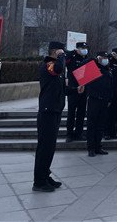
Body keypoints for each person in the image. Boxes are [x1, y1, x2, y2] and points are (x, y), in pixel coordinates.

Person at [33, 41, 84, 192]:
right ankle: (39, 181)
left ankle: (45, 175)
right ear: (56, 52)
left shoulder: (56, 68)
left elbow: (63, 89)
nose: (64, 55)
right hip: (47, 112)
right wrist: (61, 57)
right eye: (62, 52)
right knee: (45, 147)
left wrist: (76, 90)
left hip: (55, 110)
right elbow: (58, 68)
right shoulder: (49, 65)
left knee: (50, 147)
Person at [86, 52, 113, 157]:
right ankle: (91, 148)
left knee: (100, 125)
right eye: (103, 57)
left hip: (104, 100)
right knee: (91, 125)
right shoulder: (93, 67)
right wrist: (94, 60)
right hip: (94, 100)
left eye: (106, 57)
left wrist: (109, 99)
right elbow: (81, 69)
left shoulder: (107, 70)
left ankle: (98, 146)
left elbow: (110, 86)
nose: (106, 59)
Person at [65, 41, 89, 142]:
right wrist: (72, 52)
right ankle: (69, 134)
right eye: (82, 48)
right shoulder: (72, 56)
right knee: (71, 113)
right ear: (77, 49)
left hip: (83, 89)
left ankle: (79, 133)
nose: (85, 50)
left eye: (86, 48)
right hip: (73, 89)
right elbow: (64, 62)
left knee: (81, 113)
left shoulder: (86, 58)